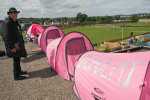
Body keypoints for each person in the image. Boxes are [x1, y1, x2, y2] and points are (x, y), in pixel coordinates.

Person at [1, 7, 27, 80]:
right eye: (14, 13)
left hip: (17, 44)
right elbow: (6, 36)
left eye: (16, 13)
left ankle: (19, 71)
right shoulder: (7, 23)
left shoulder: (15, 22)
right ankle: (16, 76)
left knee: (18, 57)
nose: (16, 14)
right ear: (10, 14)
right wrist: (11, 47)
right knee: (16, 59)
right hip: (13, 45)